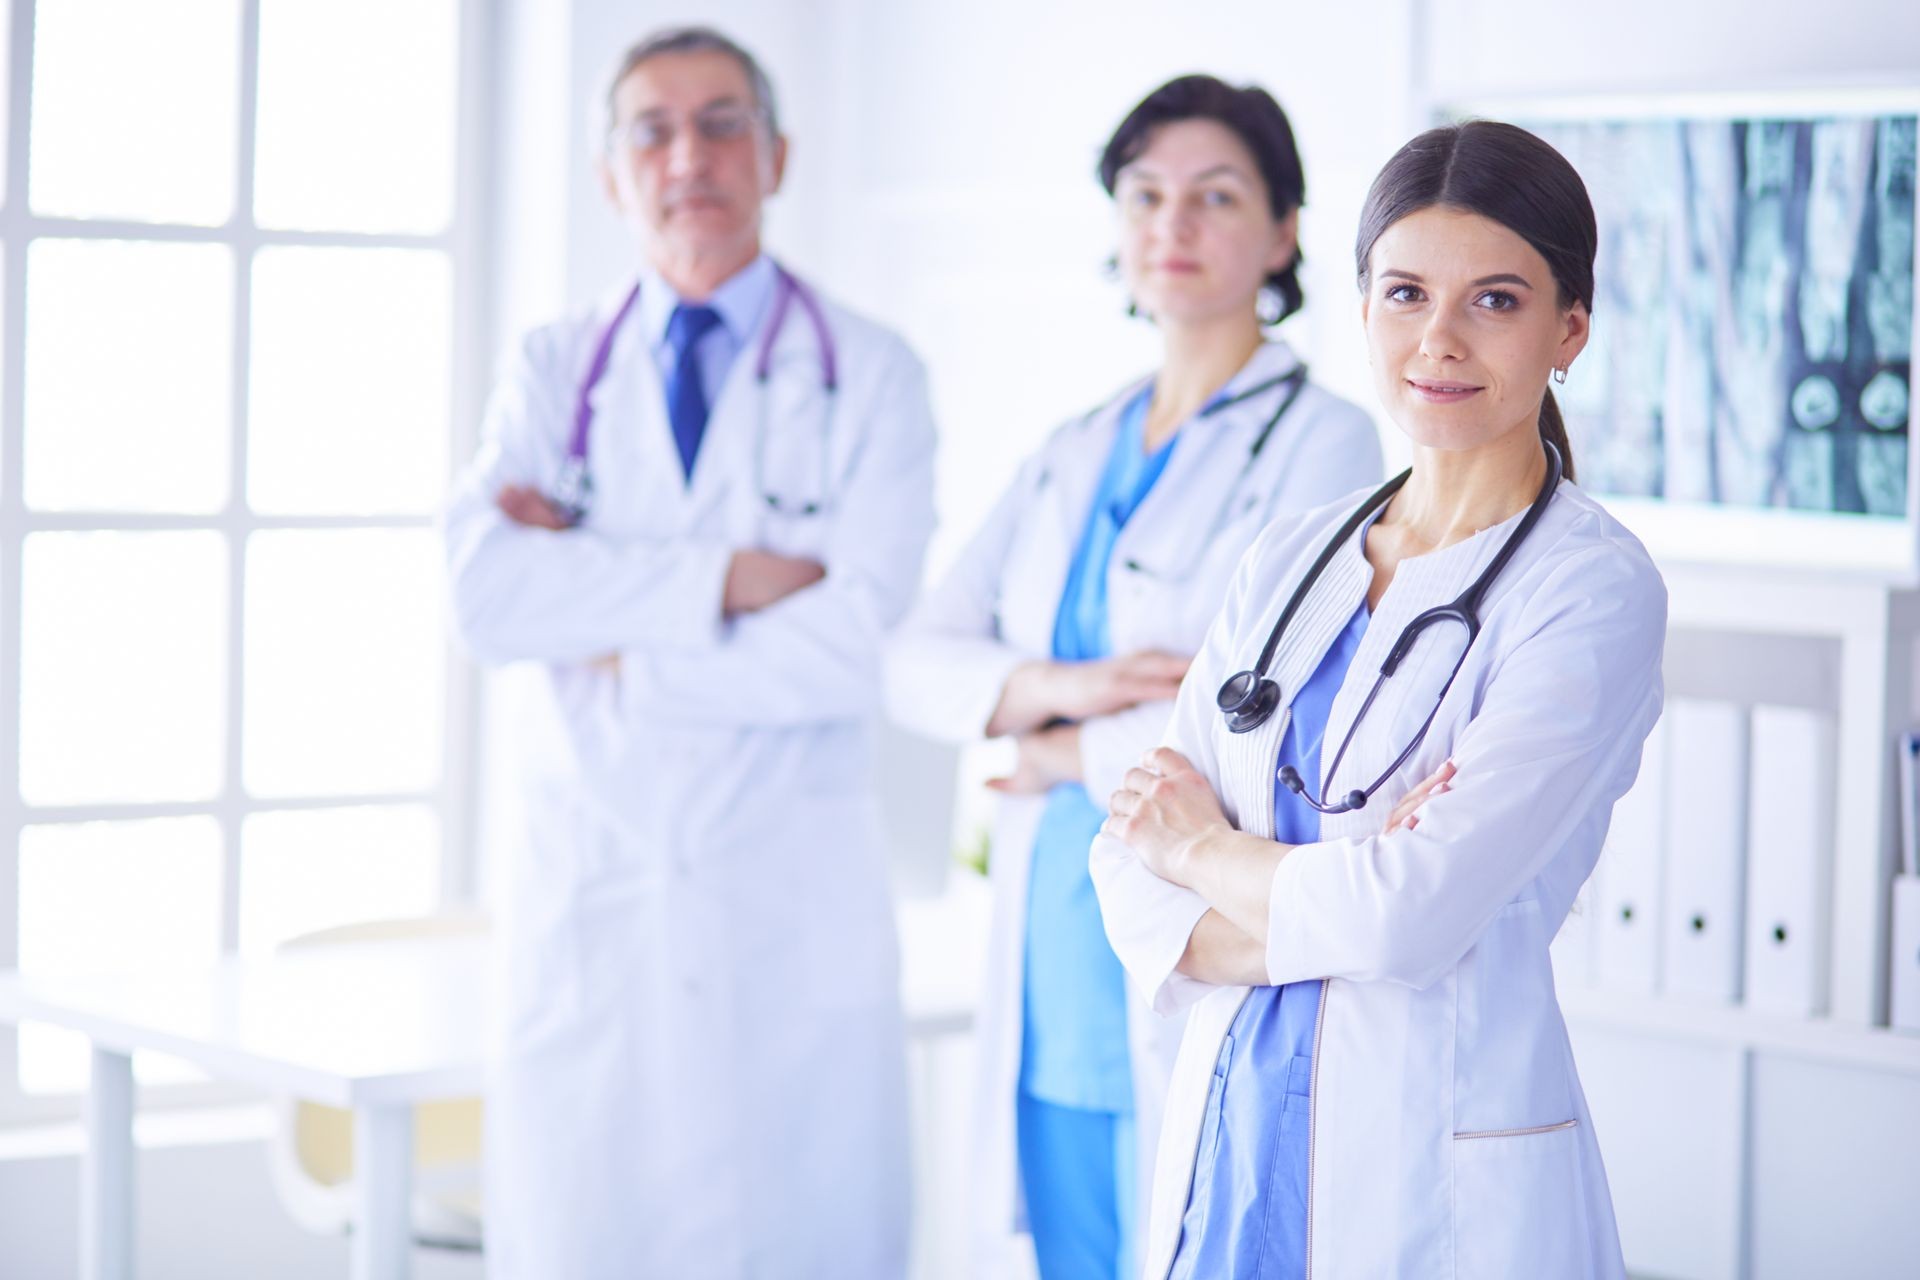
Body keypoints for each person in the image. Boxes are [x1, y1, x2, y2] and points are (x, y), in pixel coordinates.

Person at [1092, 120, 1665, 1279]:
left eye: (1495, 300)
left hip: (1433, 1168)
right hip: (1234, 1133)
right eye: (1405, 292)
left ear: (1571, 329)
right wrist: (1324, 907)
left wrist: (1204, 846)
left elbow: (1407, 913)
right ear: (1361, 307)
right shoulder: (1294, 555)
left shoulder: (1589, 588)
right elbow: (1124, 861)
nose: (1439, 338)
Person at [442, 26, 934, 1278]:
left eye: (722, 123)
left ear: (777, 153)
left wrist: (610, 633)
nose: (688, 156)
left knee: (797, 1231)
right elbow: (491, 600)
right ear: (611, 173)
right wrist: (722, 580)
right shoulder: (555, 366)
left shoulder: (870, 374)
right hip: (593, 892)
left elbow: (854, 644)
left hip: (787, 907)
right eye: (651, 129)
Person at [886, 76, 1380, 1280]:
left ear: (1281, 234)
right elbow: (912, 658)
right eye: (1147, 193)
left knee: (1190, 1232)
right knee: (1071, 1233)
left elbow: (1263, 725)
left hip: (1189, 911)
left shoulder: (1323, 440)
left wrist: (1054, 744)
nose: (1174, 223)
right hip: (1053, 927)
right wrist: (1070, 677)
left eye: (1216, 196)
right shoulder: (1073, 445)